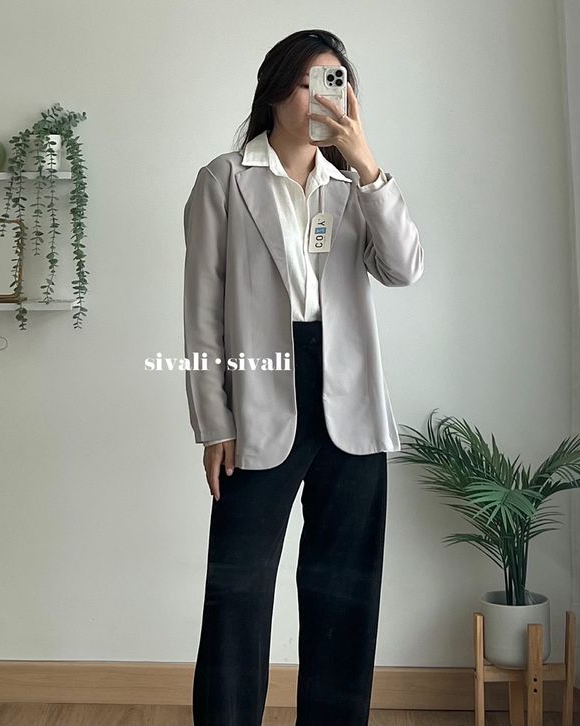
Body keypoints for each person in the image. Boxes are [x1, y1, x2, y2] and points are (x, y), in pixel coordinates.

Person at [183, 28, 424, 726]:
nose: (326, 97)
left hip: (351, 400)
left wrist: (368, 165)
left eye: (338, 83)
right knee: (238, 590)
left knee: (344, 592)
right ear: (275, 90)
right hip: (260, 395)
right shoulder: (225, 180)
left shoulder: (354, 189)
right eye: (312, 81)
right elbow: (202, 314)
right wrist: (214, 422)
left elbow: (403, 268)